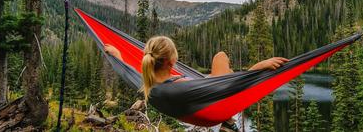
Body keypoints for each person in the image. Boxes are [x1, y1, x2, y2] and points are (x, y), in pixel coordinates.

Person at [106, 36, 289, 131]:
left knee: (220, 59)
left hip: (199, 97)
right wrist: (259, 67)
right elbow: (232, 89)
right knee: (221, 56)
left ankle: (228, 116)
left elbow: (128, 69)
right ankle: (229, 122)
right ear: (171, 62)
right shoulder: (180, 87)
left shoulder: (147, 83)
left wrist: (118, 56)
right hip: (211, 108)